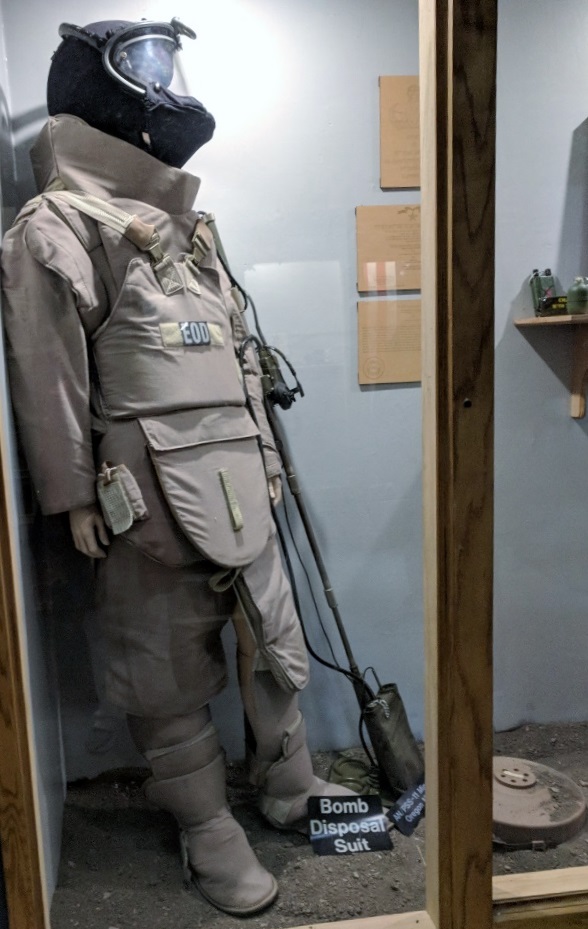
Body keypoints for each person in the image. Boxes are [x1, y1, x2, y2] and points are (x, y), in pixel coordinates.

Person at [1, 18, 353, 917]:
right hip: (143, 503)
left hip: (241, 482)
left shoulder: (192, 230)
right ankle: (207, 828)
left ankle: (289, 781)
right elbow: (49, 375)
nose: (168, 86)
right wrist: (72, 495)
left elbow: (240, 360)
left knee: (275, 639)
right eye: (147, 65)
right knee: (162, 668)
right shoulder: (58, 227)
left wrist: (265, 456)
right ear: (95, 87)